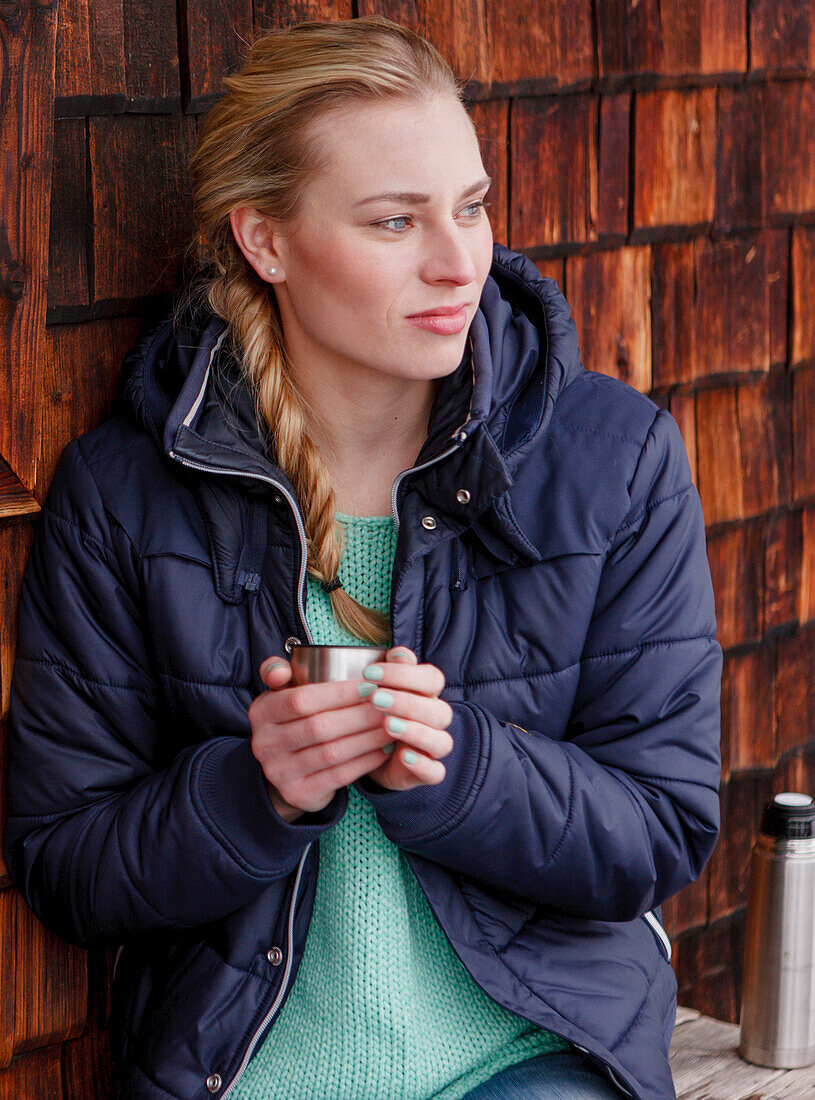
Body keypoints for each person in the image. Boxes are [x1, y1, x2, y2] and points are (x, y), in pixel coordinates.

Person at [3, 16, 722, 1100]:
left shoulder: (609, 459)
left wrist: (463, 767)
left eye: (470, 206)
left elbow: (657, 830)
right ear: (266, 241)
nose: (457, 260)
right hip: (242, 1072)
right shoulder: (122, 493)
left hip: (522, 1058)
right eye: (394, 220)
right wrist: (256, 792)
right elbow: (68, 863)